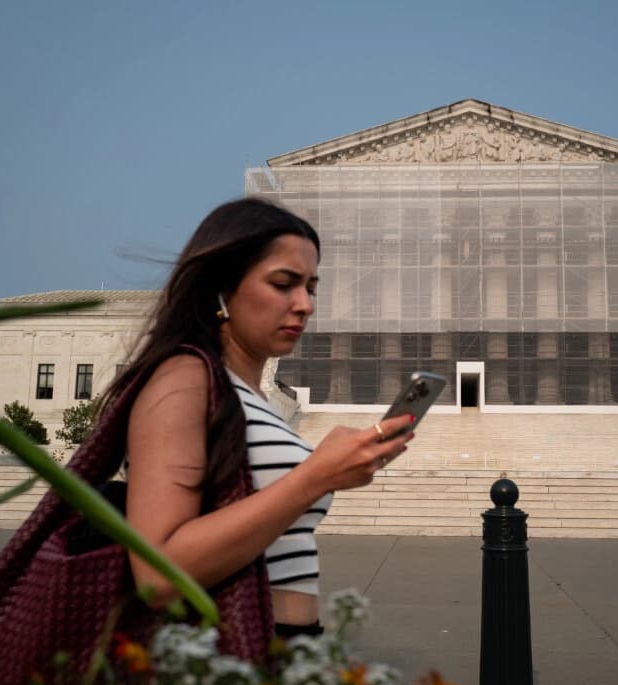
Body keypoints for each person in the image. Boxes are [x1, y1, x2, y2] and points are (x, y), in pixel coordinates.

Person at [105, 197, 414, 638]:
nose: (305, 304)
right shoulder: (184, 379)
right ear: (221, 286)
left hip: (279, 644)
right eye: (284, 284)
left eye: (311, 288)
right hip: (227, 649)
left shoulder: (249, 395)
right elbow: (158, 575)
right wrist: (316, 476)